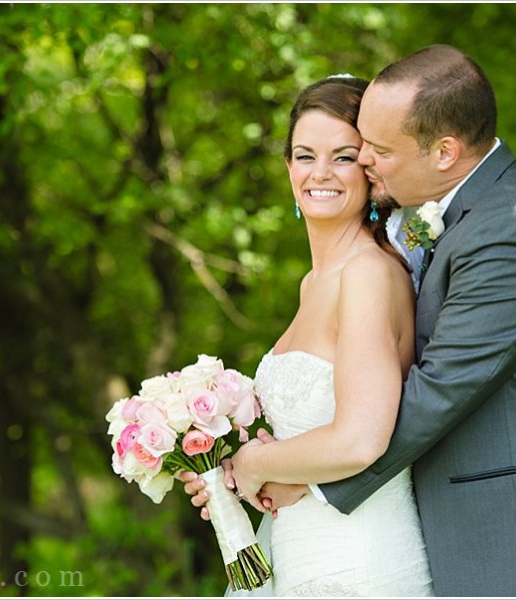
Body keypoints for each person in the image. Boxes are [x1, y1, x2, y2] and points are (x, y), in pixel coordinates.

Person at [188, 45, 516, 597]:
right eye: (309, 154)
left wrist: (292, 474)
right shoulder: (452, 224)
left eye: (371, 151)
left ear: (444, 151)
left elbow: (433, 393)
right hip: (421, 531)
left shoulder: (511, 229)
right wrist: (229, 466)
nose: (365, 162)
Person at [182, 75, 435, 597]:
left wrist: (254, 463)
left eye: (343, 157)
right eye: (304, 155)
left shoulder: (368, 273)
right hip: (301, 559)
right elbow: (307, 443)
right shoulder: (315, 281)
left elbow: (361, 438)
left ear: (370, 172)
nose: (320, 173)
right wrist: (224, 473)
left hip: (358, 563)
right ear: (288, 168)